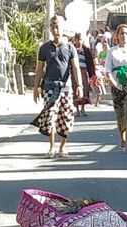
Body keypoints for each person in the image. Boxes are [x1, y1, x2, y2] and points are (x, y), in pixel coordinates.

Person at [32, 16, 83, 158]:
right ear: (50, 29)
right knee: (50, 117)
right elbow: (39, 69)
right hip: (49, 87)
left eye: (58, 26)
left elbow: (75, 67)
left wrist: (79, 85)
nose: (56, 30)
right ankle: (51, 147)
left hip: (66, 88)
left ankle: (62, 147)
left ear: (63, 27)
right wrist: (36, 88)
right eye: (53, 27)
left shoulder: (70, 47)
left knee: (65, 117)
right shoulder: (44, 48)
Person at [72, 32, 97, 115]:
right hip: (74, 73)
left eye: (80, 39)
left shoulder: (86, 50)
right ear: (74, 40)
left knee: (84, 89)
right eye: (77, 39)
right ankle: (77, 110)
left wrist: (92, 74)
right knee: (75, 89)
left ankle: (83, 109)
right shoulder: (72, 49)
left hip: (84, 72)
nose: (79, 41)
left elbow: (90, 63)